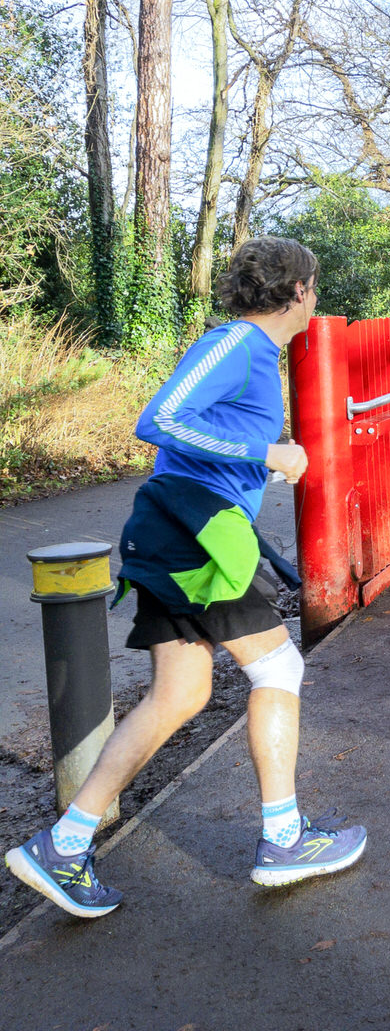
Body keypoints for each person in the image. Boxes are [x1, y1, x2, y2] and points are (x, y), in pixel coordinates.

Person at [5, 237, 366, 919]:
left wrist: (257, 464)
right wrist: (269, 450)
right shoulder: (238, 344)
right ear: (299, 291)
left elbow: (201, 436)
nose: (315, 299)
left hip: (179, 532)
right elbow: (159, 420)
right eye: (314, 287)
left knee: (181, 693)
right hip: (190, 535)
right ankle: (285, 839)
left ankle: (65, 845)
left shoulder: (252, 353)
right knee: (279, 671)